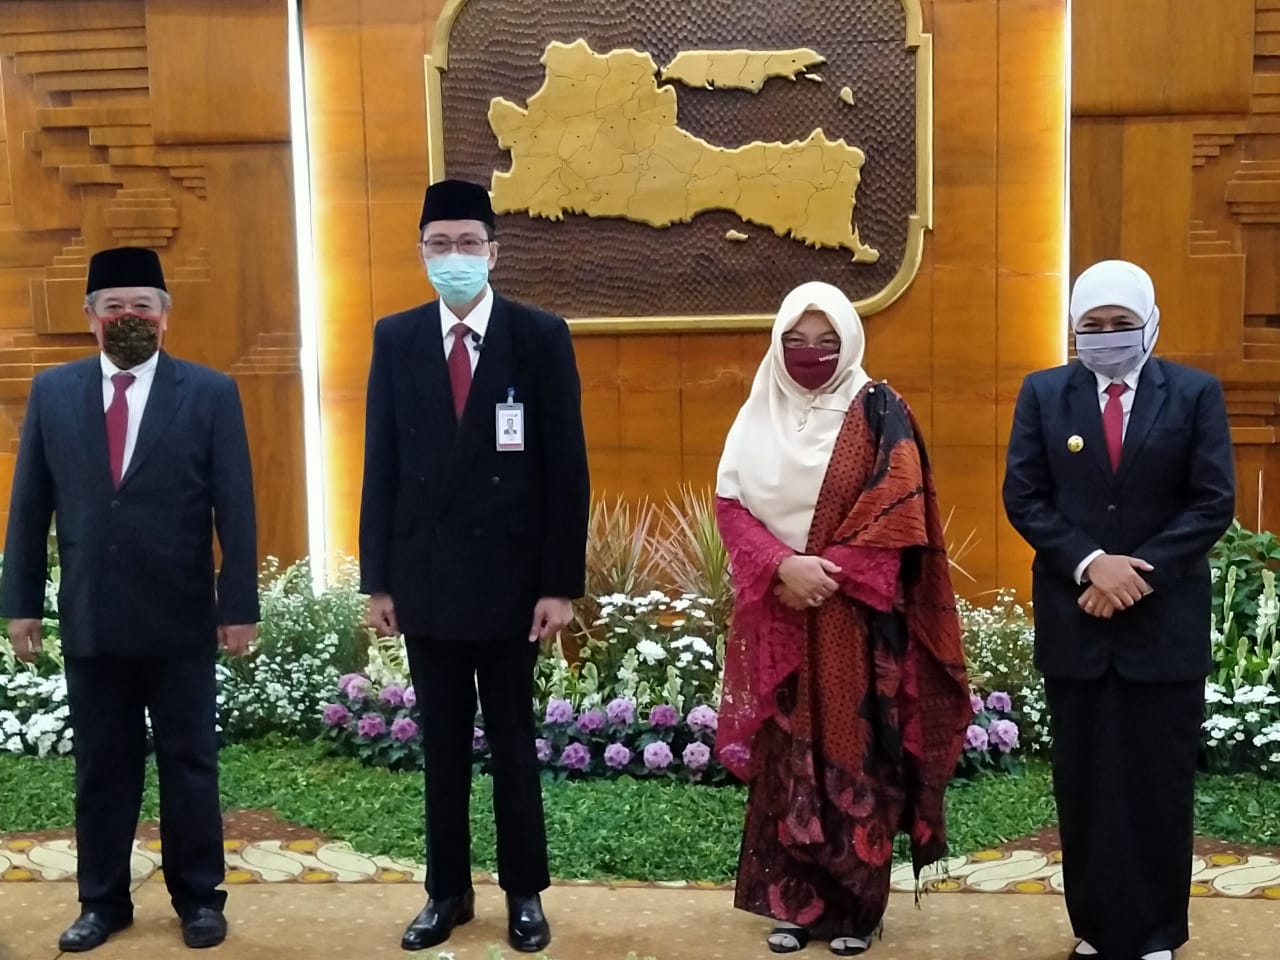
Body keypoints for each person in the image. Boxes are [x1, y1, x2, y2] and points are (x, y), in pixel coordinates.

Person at [0, 247, 259, 952]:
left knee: (189, 763)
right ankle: (102, 900)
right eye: (112, 305)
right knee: (101, 769)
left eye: (142, 304)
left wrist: (238, 606)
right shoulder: (54, 393)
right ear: (90, 317)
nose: (128, 316)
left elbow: (235, 506)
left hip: (179, 616)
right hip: (93, 615)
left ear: (166, 317)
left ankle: (199, 899)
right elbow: (28, 507)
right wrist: (20, 602)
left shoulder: (209, 393)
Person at [359, 179, 590, 953]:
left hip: (515, 587)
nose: (453, 258)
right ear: (421, 254)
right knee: (443, 747)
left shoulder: (540, 335)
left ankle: (524, 892)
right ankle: (445, 892)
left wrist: (559, 584)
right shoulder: (395, 339)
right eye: (439, 245)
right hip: (426, 584)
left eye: (467, 244)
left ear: (493, 252)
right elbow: (379, 467)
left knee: (515, 745)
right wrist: (377, 580)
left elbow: (568, 470)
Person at [713, 281, 970, 957]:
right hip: (784, 614)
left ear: (850, 343)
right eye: (795, 341)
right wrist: (779, 567)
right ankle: (796, 906)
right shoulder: (757, 409)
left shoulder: (879, 408)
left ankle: (858, 909)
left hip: (856, 617)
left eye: (827, 342)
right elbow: (731, 506)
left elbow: (901, 502)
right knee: (788, 759)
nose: (810, 354)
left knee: (857, 753)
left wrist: (832, 572)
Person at [1003, 260, 1235, 960]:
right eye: (1092, 327)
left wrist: (1138, 572)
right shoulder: (1044, 394)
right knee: (1087, 786)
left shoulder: (1194, 394)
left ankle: (1157, 934)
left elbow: (1211, 500)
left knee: (1156, 785)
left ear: (1150, 324)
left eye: (1121, 326)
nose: (1106, 338)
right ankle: (1098, 932)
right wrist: (1088, 563)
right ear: (1074, 330)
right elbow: (1025, 495)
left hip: (1161, 624)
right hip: (1078, 619)